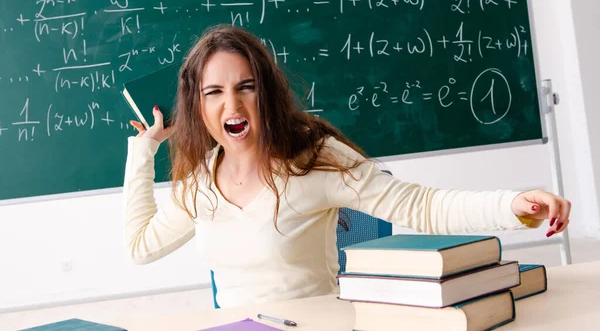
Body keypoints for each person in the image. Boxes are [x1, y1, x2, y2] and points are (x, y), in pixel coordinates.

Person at [125, 24, 571, 308]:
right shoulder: (200, 181)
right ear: (197, 106)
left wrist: (513, 204)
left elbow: (423, 207)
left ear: (268, 94)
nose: (233, 104)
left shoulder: (315, 161)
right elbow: (141, 247)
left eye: (247, 87)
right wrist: (143, 151)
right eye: (214, 92)